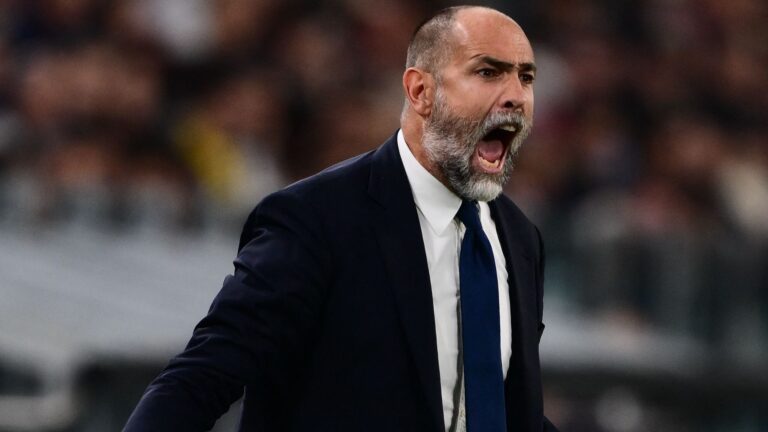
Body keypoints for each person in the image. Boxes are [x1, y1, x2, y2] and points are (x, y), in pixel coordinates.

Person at [124, 6, 559, 432]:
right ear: (421, 91)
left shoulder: (520, 239)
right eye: (488, 72)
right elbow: (202, 377)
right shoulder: (316, 218)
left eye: (526, 77)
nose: (515, 95)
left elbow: (496, 408)